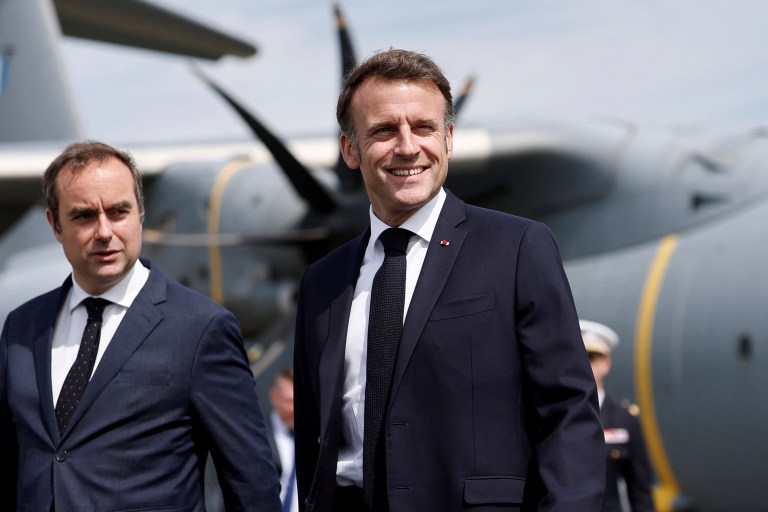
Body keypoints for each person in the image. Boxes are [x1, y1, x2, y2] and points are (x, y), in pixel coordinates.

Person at [293, 49, 605, 512]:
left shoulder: (517, 248)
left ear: (450, 138)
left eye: (424, 127)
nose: (407, 146)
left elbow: (568, 413)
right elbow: (314, 438)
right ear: (350, 150)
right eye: (383, 130)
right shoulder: (323, 282)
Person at [0, 141, 281, 511]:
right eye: (84, 216)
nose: (104, 231)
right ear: (55, 225)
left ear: (140, 214)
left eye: (118, 212)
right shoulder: (22, 328)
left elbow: (252, 484)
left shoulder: (200, 328)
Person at [580, 320, 656, 512]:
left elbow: (640, 489)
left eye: (591, 357)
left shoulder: (624, 419)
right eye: (578, 357)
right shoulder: (550, 414)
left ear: (606, 363)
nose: (584, 364)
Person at [267, 366, 298, 512]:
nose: (295, 408)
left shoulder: (319, 433)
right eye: (289, 401)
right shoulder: (259, 441)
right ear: (274, 397)